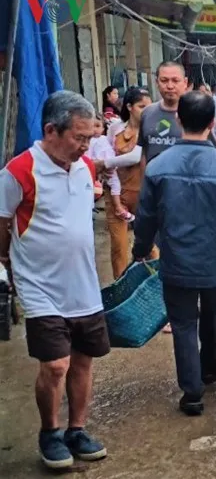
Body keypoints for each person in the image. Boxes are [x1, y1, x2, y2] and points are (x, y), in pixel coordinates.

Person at [132, 91, 216, 416]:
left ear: (179, 120)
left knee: (182, 325)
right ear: (213, 122)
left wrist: (139, 250)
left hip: (175, 261)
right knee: (212, 318)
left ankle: (192, 394)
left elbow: (146, 216)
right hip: (214, 262)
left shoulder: (157, 167)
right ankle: (210, 367)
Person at [0, 90, 109, 469]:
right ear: (51, 130)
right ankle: (50, 431)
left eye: (90, 138)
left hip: (83, 283)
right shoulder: (18, 172)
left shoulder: (86, 168)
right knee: (56, 364)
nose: (85, 146)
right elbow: (1, 226)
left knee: (83, 361)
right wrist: (6, 266)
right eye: (79, 137)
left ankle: (77, 429)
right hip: (39, 285)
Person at [103, 87, 159, 279]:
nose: (147, 110)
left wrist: (104, 164)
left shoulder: (158, 128)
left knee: (150, 247)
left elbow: (137, 156)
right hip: (116, 193)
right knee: (119, 248)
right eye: (141, 106)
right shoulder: (115, 128)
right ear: (129, 107)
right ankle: (121, 288)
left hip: (144, 194)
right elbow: (107, 150)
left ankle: (155, 288)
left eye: (149, 106)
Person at [137, 61, 189, 163]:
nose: (170, 86)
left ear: (185, 82)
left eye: (175, 80)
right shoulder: (147, 113)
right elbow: (143, 153)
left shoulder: (196, 114)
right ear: (157, 82)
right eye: (164, 80)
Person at [87, 113, 134, 223]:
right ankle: (116, 207)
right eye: (92, 126)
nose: (95, 129)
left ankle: (118, 207)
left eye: (98, 126)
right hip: (99, 168)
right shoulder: (89, 141)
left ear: (103, 128)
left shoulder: (105, 139)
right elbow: (87, 157)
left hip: (111, 167)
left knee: (116, 185)